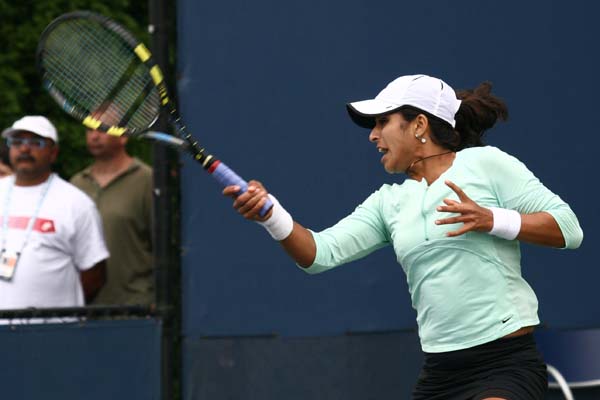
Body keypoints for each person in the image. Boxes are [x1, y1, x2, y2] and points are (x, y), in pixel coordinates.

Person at [223, 74, 584, 400]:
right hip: (441, 374)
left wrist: (492, 220)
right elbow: (319, 254)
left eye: (383, 122)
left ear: (419, 125)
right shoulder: (388, 203)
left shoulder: (486, 164)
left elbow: (568, 229)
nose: (373, 135)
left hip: (505, 365)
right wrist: (271, 214)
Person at [0, 115, 108, 313]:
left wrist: (59, 312)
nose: (24, 149)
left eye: (36, 142)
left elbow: (95, 274)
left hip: (53, 327)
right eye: (17, 142)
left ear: (53, 153)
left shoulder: (77, 203)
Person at [70, 122, 153, 305]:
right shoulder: (77, 184)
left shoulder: (147, 179)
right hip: (84, 307)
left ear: (123, 136)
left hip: (135, 305)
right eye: (89, 130)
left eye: (102, 129)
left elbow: (163, 244)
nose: (94, 136)